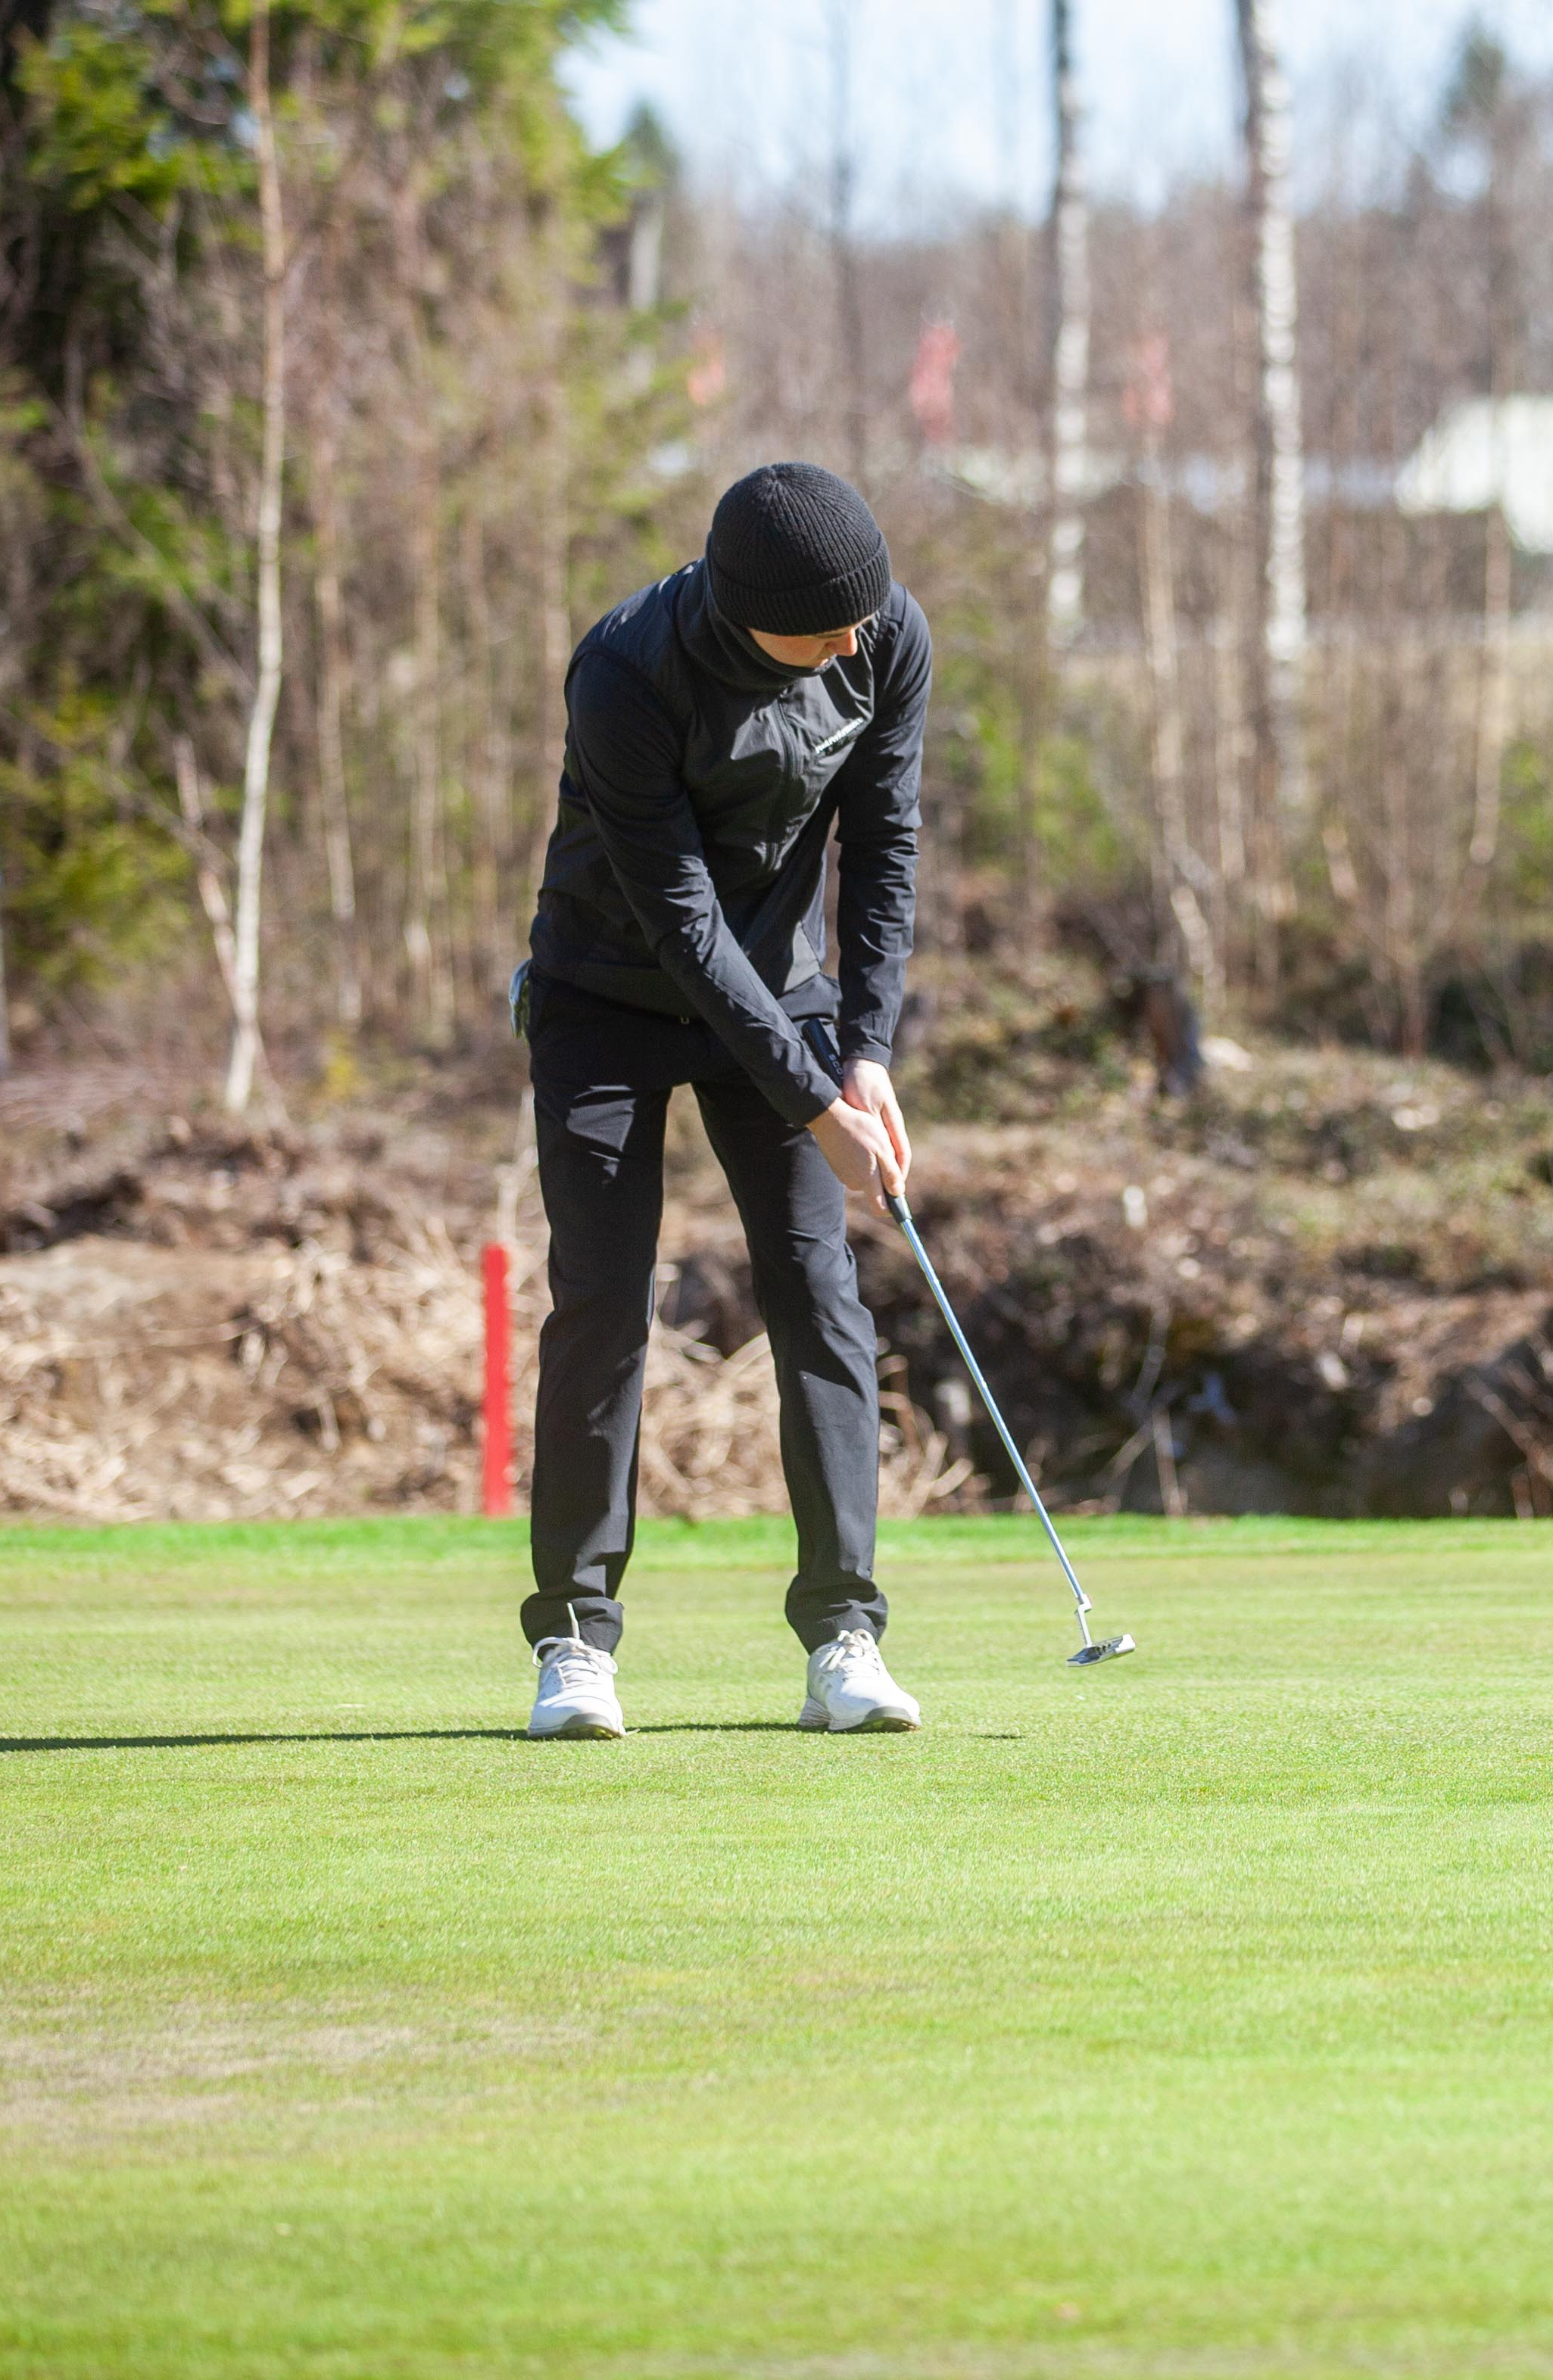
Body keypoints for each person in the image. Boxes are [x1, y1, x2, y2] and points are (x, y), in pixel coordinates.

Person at [513, 461, 930, 1741]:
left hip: (789, 992)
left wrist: (863, 1052)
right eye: (829, 627)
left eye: (867, 616)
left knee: (818, 1285)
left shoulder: (884, 638)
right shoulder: (626, 672)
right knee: (603, 1296)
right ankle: (576, 1644)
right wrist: (815, 1108)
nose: (856, 641)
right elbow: (685, 927)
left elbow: (886, 846)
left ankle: (845, 1635)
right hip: (607, 993)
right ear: (753, 614)